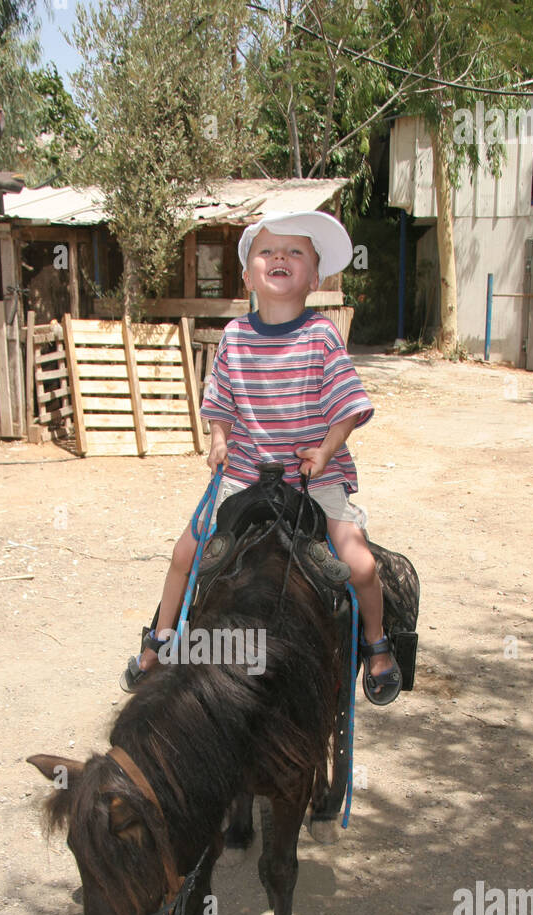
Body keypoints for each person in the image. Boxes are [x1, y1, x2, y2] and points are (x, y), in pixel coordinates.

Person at [121, 209, 402, 705]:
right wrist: (219, 440)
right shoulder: (233, 337)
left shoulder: (321, 337)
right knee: (186, 552)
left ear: (313, 277)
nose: (280, 258)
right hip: (246, 474)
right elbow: (220, 404)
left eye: (295, 251)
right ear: (249, 273)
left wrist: (324, 450)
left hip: (313, 477)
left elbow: (348, 409)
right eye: (267, 251)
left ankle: (378, 646)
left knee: (358, 562)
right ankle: (160, 638)